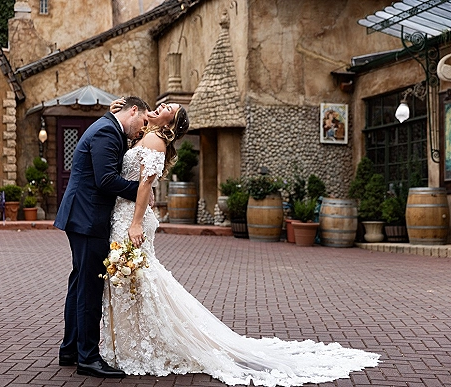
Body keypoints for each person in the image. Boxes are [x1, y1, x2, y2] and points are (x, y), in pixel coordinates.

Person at [100, 99, 381, 386]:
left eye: (168, 110)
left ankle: (140, 344)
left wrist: (136, 223)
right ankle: (129, 340)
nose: (160, 107)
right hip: (122, 214)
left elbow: (145, 185)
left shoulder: (156, 142)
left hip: (131, 218)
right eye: (162, 104)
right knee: (133, 278)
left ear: (171, 126)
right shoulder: (141, 135)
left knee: (137, 277)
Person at [53, 96, 149, 378]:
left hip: (82, 216)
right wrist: (141, 192)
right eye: (143, 121)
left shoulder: (108, 126)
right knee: (89, 288)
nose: (142, 129)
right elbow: (105, 179)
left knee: (79, 283)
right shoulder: (107, 130)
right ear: (133, 110)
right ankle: (88, 358)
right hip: (87, 218)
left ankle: (70, 349)